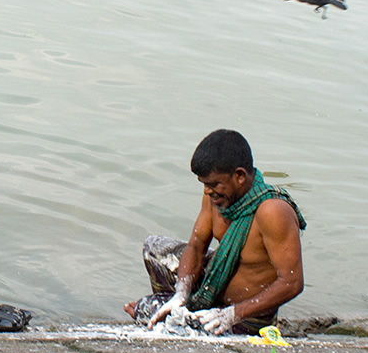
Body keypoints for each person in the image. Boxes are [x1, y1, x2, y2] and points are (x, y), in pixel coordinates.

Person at [125, 129, 306, 335]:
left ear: (239, 176)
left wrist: (233, 314)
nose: (207, 191)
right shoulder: (216, 199)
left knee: (145, 310)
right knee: (154, 247)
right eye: (204, 184)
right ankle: (176, 308)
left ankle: (177, 320)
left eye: (213, 184)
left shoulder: (272, 211)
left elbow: (292, 282)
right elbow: (196, 246)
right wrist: (181, 294)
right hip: (213, 290)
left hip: (245, 316)